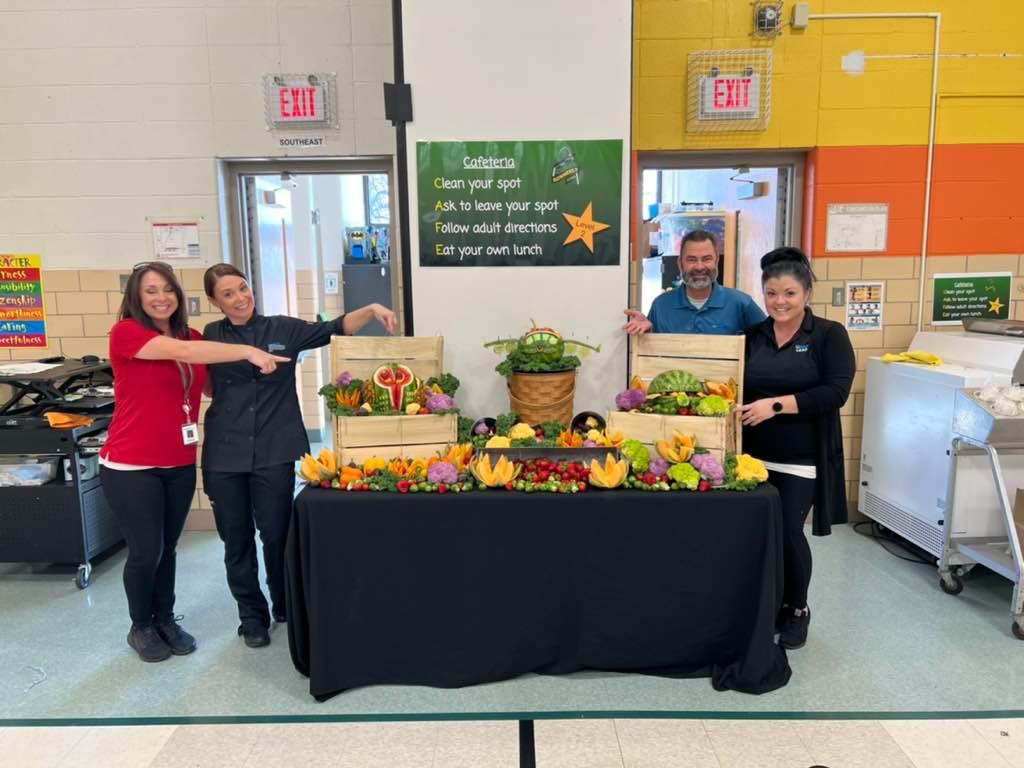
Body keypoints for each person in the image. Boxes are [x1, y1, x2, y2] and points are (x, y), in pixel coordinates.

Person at [100, 262, 288, 663]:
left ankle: (165, 619)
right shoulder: (127, 333)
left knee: (168, 549)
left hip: (179, 460)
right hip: (131, 463)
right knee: (146, 551)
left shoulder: (192, 336)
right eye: (151, 291)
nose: (161, 298)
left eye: (168, 289)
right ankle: (141, 626)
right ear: (136, 297)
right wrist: (249, 350)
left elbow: (210, 386)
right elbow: (184, 353)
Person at [200, 263, 397, 649]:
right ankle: (251, 617)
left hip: (275, 448)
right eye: (228, 294)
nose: (240, 298)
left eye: (243, 288)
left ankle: (284, 604)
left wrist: (373, 308)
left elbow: (334, 328)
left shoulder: (283, 329)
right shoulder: (210, 336)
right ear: (214, 301)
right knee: (236, 540)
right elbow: (199, 379)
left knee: (276, 533)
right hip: (225, 452)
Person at [738, 247, 855, 651]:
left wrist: (774, 406)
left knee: (789, 532)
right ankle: (767, 606)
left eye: (789, 293)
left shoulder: (828, 335)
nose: (780, 302)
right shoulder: (753, 336)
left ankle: (797, 608)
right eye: (772, 293)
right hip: (751, 457)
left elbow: (835, 392)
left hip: (801, 457)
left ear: (806, 292)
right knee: (757, 535)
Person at [622, 229, 766, 335]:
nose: (699, 267)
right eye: (691, 260)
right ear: (680, 264)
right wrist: (646, 332)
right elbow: (651, 352)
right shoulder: (661, 306)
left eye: (706, 259)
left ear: (716, 261)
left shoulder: (741, 304)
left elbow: (769, 339)